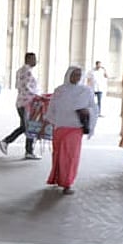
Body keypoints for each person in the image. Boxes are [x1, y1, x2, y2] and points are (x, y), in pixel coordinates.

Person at [44, 65, 99, 194]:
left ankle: (67, 183)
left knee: (70, 157)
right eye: (74, 74)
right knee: (58, 156)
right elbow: (51, 109)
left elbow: (94, 108)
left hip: (75, 128)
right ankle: (57, 178)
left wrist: (87, 111)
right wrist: (47, 123)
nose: (77, 77)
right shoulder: (59, 91)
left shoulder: (86, 91)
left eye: (79, 75)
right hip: (60, 127)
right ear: (68, 75)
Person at [0, 52, 41, 160]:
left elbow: (19, 86)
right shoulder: (28, 72)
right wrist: (37, 96)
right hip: (27, 103)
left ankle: (27, 150)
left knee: (25, 126)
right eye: (34, 59)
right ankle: (7, 142)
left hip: (21, 102)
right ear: (29, 59)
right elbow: (27, 88)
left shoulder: (20, 71)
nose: (36, 61)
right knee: (28, 127)